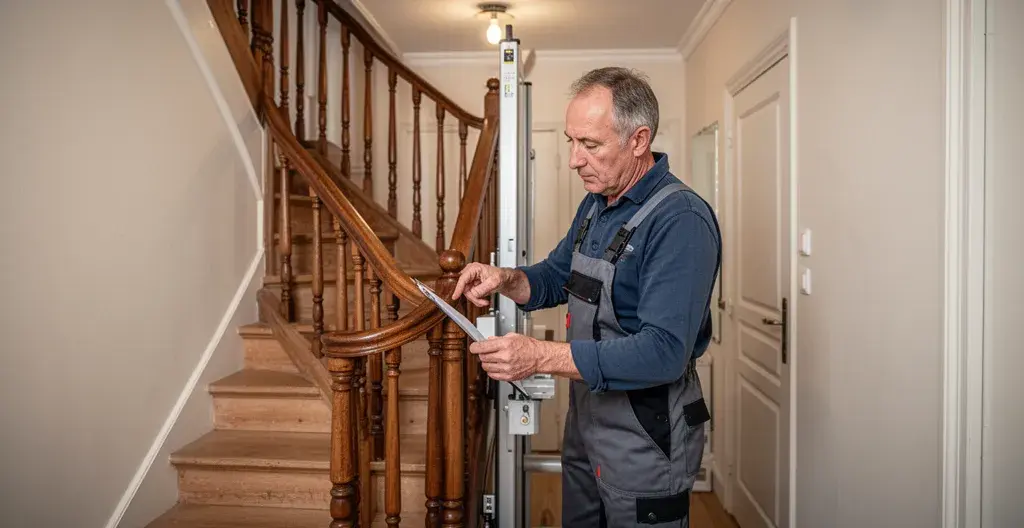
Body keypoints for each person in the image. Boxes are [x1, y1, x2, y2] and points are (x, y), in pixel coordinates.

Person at [451, 67, 722, 527]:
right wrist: (504, 278)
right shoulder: (598, 202)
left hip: (646, 435)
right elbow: (557, 277)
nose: (575, 159)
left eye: (590, 145)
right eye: (571, 142)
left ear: (639, 140)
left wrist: (538, 356)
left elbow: (663, 354)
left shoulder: (681, 220)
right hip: (587, 421)